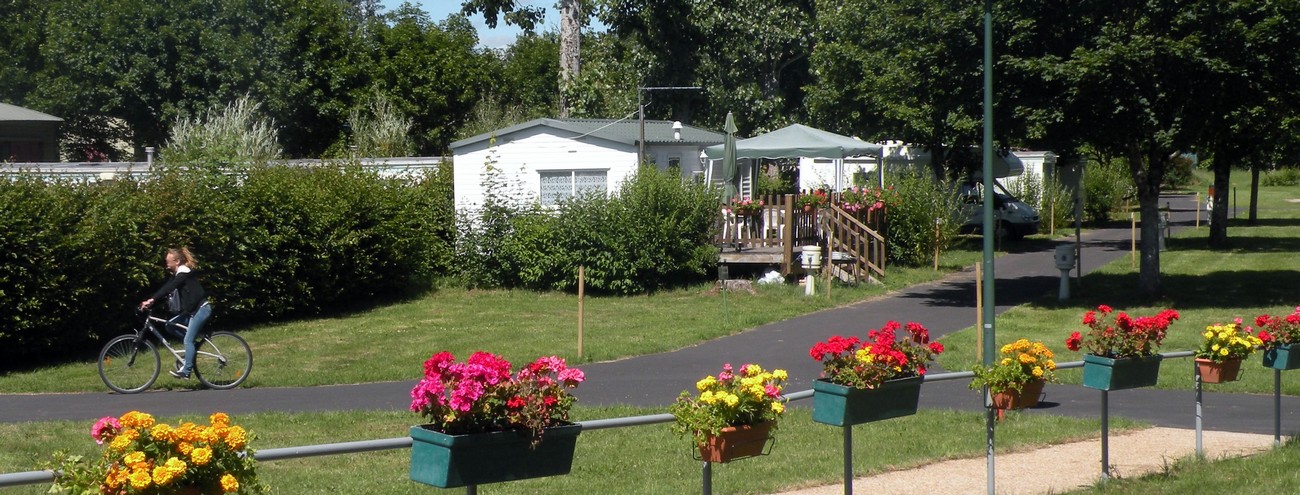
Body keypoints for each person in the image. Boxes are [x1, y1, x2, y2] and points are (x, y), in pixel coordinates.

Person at [138, 247, 210, 379]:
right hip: (192, 311)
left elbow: (169, 288)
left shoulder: (184, 273)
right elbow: (166, 289)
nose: (166, 263)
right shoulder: (178, 274)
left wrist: (152, 300)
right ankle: (191, 348)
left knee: (188, 340)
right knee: (170, 325)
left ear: (176, 262)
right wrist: (152, 301)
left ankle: (186, 371)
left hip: (201, 310)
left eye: (168, 261)